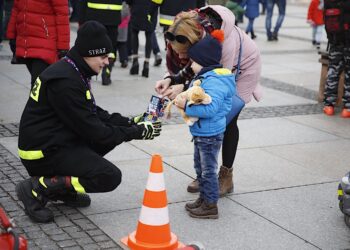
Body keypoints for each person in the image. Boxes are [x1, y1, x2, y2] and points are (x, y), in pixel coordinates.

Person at [16, 21, 162, 223]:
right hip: (42, 152)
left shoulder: (73, 70)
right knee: (109, 176)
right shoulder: (65, 81)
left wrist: (130, 122)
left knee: (110, 137)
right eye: (103, 57)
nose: (107, 62)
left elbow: (92, 113)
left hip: (54, 141)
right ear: (89, 53)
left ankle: (61, 189)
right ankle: (40, 187)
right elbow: (95, 131)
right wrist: (136, 132)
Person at [155, 6, 262, 196]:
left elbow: (219, 83)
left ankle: (225, 176)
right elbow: (185, 67)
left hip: (241, 69)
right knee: (204, 123)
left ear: (195, 44)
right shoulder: (182, 32)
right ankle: (205, 173)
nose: (180, 56)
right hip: (212, 71)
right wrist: (170, 79)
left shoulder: (224, 44)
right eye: (176, 51)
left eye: (184, 52)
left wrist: (186, 90)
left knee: (225, 121)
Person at [178, 33, 235, 219]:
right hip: (202, 132)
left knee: (208, 170)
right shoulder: (207, 77)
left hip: (210, 134)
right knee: (200, 168)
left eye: (193, 61)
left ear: (204, 61)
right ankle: (203, 198)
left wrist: (186, 106)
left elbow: (210, 109)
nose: (191, 65)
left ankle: (210, 205)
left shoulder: (216, 81)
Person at [6, 0, 70, 88]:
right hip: (26, 44)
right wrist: (12, 35)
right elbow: (16, 9)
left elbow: (62, 15)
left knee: (37, 88)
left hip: (46, 43)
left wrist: (63, 46)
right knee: (42, 89)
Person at [79, 0, 123, 85]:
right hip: (113, 16)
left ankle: (88, 73)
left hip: (93, 15)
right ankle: (106, 72)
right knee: (111, 48)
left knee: (91, 46)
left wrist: (81, 19)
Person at [323, 0, 350, 117]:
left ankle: (329, 105)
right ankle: (347, 108)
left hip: (334, 39)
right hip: (348, 40)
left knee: (333, 71)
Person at [126, 0, 159, 77]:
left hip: (137, 5)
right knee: (149, 33)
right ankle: (146, 64)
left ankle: (135, 61)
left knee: (134, 32)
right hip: (152, 6)